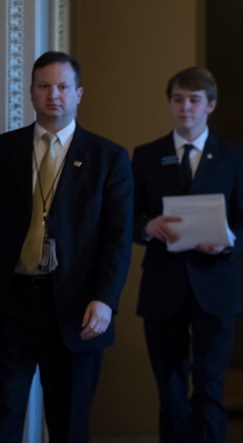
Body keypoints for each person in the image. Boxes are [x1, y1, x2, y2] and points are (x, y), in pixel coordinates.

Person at [0, 50, 133, 442]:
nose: (52, 95)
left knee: (69, 423)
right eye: (44, 86)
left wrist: (105, 299)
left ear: (79, 94)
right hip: (11, 306)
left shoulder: (108, 157)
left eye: (62, 87)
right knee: (5, 415)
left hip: (77, 310)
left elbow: (117, 237)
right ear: (30, 93)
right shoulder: (5, 151)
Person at [132, 67, 243, 443]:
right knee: (171, 393)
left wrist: (228, 242)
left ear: (210, 105)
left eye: (193, 100)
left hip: (216, 286)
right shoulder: (147, 156)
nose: (185, 108)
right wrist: (147, 226)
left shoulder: (233, 157)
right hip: (163, 287)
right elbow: (126, 217)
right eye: (177, 100)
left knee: (208, 388)